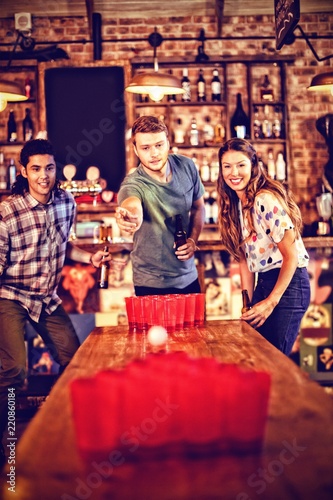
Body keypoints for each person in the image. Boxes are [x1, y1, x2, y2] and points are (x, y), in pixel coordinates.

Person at [0, 139, 109, 468]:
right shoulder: (7, 212)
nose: (44, 175)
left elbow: (66, 247)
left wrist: (89, 256)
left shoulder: (66, 201)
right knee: (14, 370)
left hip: (46, 299)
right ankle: (8, 443)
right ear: (23, 171)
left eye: (49, 167)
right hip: (11, 296)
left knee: (77, 362)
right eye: (36, 169)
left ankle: (73, 433)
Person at [217, 138, 310, 355]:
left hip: (289, 284)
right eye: (227, 166)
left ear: (253, 166)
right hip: (266, 282)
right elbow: (244, 260)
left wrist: (271, 302)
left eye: (241, 165)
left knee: (274, 360)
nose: (234, 172)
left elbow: (291, 256)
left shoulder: (264, 199)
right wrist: (247, 302)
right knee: (256, 355)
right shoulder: (236, 205)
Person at [115, 115, 205, 296]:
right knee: (155, 327)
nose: (154, 153)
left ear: (168, 142)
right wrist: (130, 216)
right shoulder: (133, 184)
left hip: (189, 276)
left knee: (195, 326)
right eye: (146, 148)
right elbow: (132, 204)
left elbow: (198, 207)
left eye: (159, 145)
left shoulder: (186, 166)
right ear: (135, 150)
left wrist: (193, 240)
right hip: (150, 282)